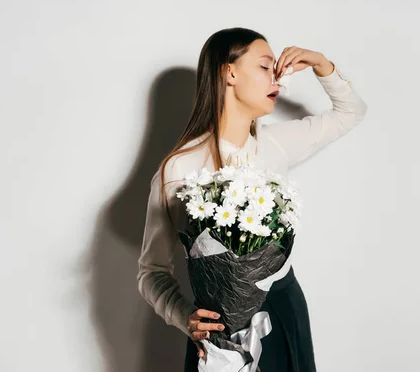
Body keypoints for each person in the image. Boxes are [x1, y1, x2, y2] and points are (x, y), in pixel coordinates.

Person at [137, 27, 368, 371]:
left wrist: (321, 63)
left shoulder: (275, 143)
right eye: (265, 66)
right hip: (218, 329)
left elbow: (352, 112)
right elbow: (152, 270)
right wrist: (185, 316)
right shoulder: (178, 168)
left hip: (283, 307)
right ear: (229, 72)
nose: (278, 78)